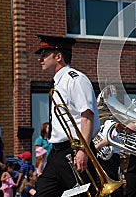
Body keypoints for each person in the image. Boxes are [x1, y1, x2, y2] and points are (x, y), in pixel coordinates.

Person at [34, 35, 100, 197]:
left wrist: (83, 150)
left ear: (58, 56)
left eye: (44, 55)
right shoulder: (57, 83)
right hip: (57, 153)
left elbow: (87, 116)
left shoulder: (75, 79)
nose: (40, 59)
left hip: (76, 150)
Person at [95, 119, 123, 197]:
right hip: (102, 158)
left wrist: (96, 147)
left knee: (114, 185)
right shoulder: (101, 127)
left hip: (111, 157)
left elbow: (110, 137)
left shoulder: (112, 123)